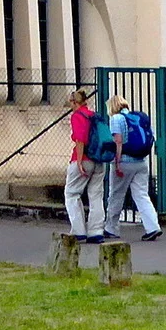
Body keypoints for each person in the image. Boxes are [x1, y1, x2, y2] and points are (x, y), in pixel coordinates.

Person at [104, 94, 162, 242]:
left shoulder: (116, 119)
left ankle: (111, 228)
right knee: (142, 195)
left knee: (116, 194)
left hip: (124, 162)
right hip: (141, 163)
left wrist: (116, 164)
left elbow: (118, 141)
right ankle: (153, 227)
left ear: (112, 106)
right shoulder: (138, 118)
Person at [64, 88, 108, 243]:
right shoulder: (92, 115)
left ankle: (78, 230)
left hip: (83, 159)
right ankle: (96, 231)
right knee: (96, 195)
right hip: (99, 159)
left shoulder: (77, 116)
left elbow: (80, 139)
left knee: (72, 194)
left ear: (74, 102)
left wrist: (80, 161)